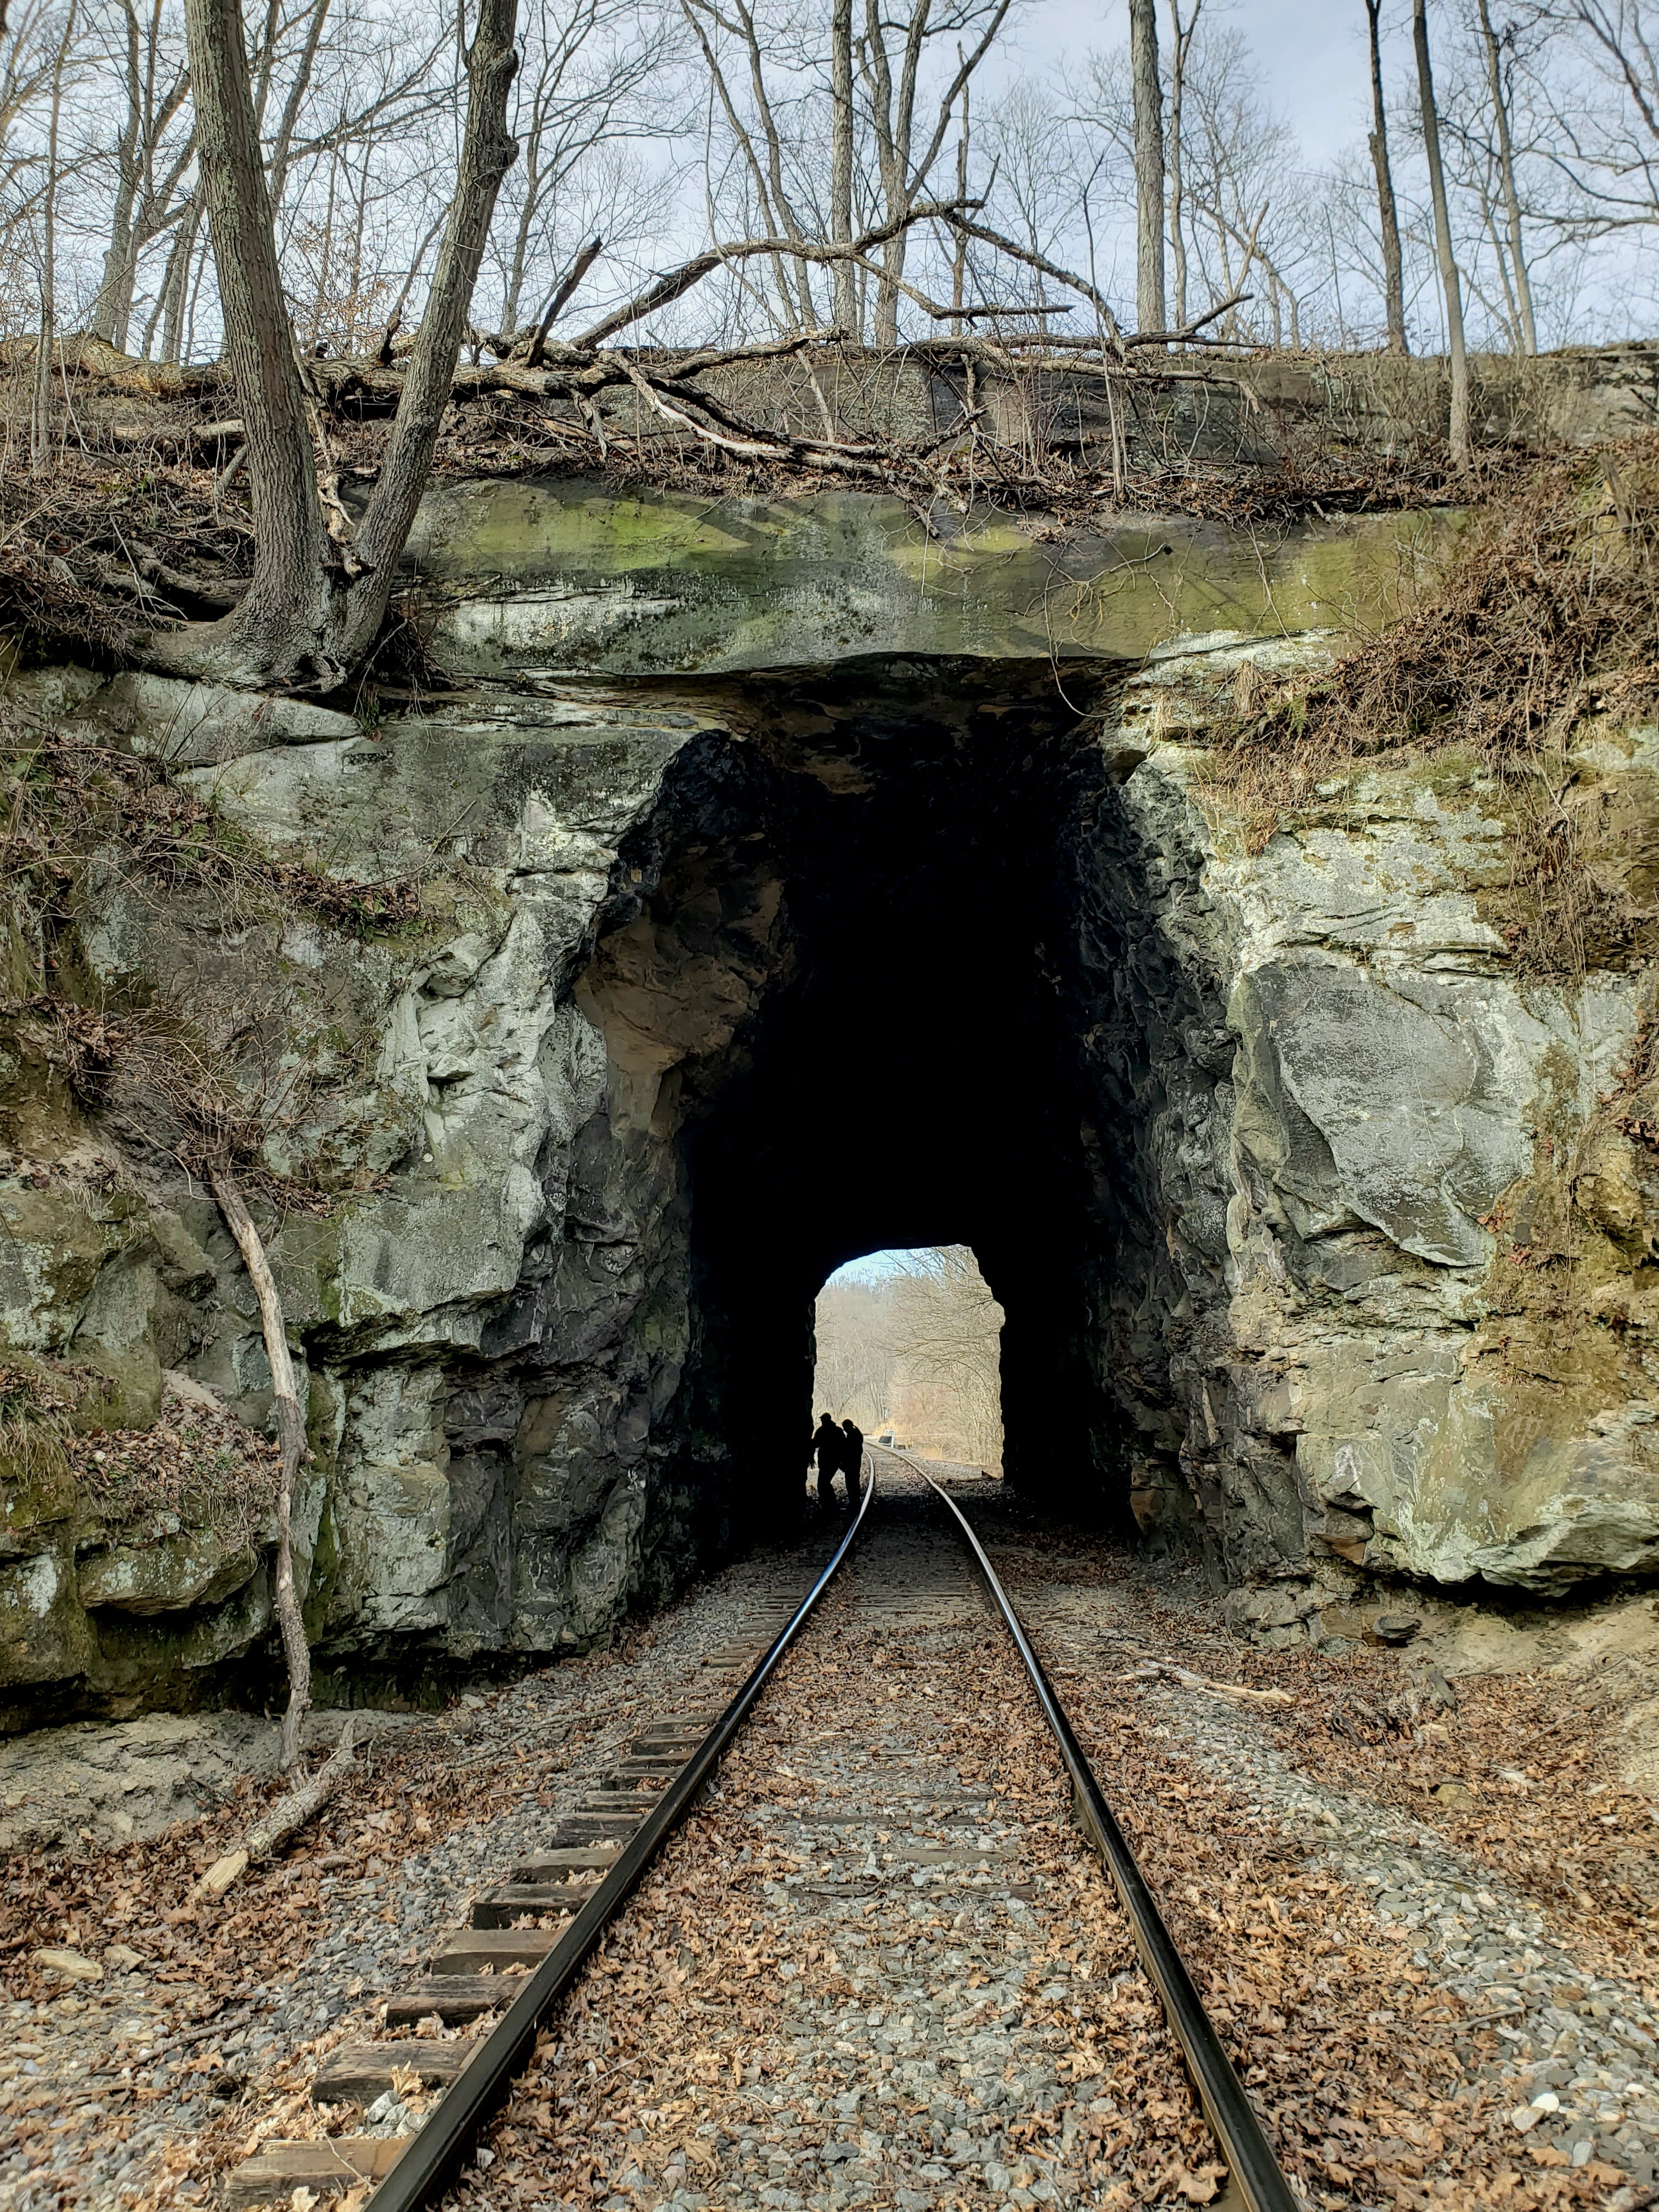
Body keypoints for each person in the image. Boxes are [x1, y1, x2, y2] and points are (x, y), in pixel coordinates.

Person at [810, 1412, 843, 1508]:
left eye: (822, 1420)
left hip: (825, 1461)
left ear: (824, 1420)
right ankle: (830, 1502)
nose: (821, 1421)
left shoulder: (821, 1431)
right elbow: (843, 1446)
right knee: (825, 1483)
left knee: (822, 1484)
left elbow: (815, 1444)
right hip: (835, 1461)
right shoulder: (838, 1430)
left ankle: (828, 1504)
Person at [839, 1417, 865, 1508]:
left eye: (845, 1428)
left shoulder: (852, 1436)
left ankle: (854, 1500)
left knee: (850, 1482)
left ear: (848, 1427)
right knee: (855, 1480)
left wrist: (843, 1463)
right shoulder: (857, 1433)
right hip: (856, 1462)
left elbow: (847, 1450)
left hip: (851, 1463)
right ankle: (856, 1499)